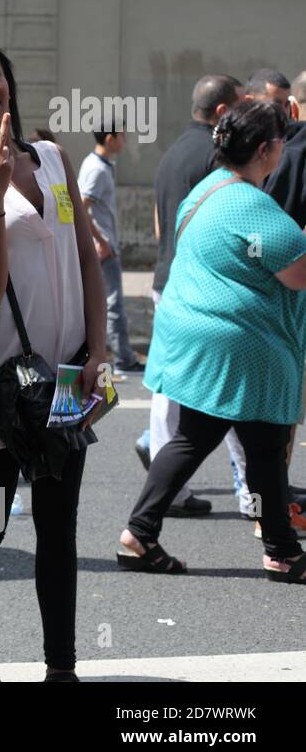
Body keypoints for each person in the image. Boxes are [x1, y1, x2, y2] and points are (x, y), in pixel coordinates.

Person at [0, 40, 107, 681]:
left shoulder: (55, 159)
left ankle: (62, 667)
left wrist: (100, 346)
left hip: (64, 379)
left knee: (59, 530)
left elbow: (86, 256)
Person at [117, 99, 306, 584]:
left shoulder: (207, 189)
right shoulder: (252, 204)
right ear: (266, 150)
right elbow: (297, 275)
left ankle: (141, 533)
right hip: (239, 348)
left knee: (200, 438)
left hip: (199, 335)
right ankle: (281, 551)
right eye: (281, 141)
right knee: (257, 446)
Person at [145, 75, 244, 518]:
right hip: (195, 286)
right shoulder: (216, 158)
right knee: (217, 391)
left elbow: (159, 223)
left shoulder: (171, 153)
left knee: (168, 390)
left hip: (165, 277)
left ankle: (161, 467)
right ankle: (234, 488)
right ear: (223, 112)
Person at [78, 125, 143, 372]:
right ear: (110, 138)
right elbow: (82, 208)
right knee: (114, 305)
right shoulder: (96, 169)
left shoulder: (100, 165)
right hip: (104, 249)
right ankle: (123, 358)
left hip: (105, 246)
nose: (124, 141)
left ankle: (117, 355)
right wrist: (102, 242)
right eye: (122, 136)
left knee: (105, 303)